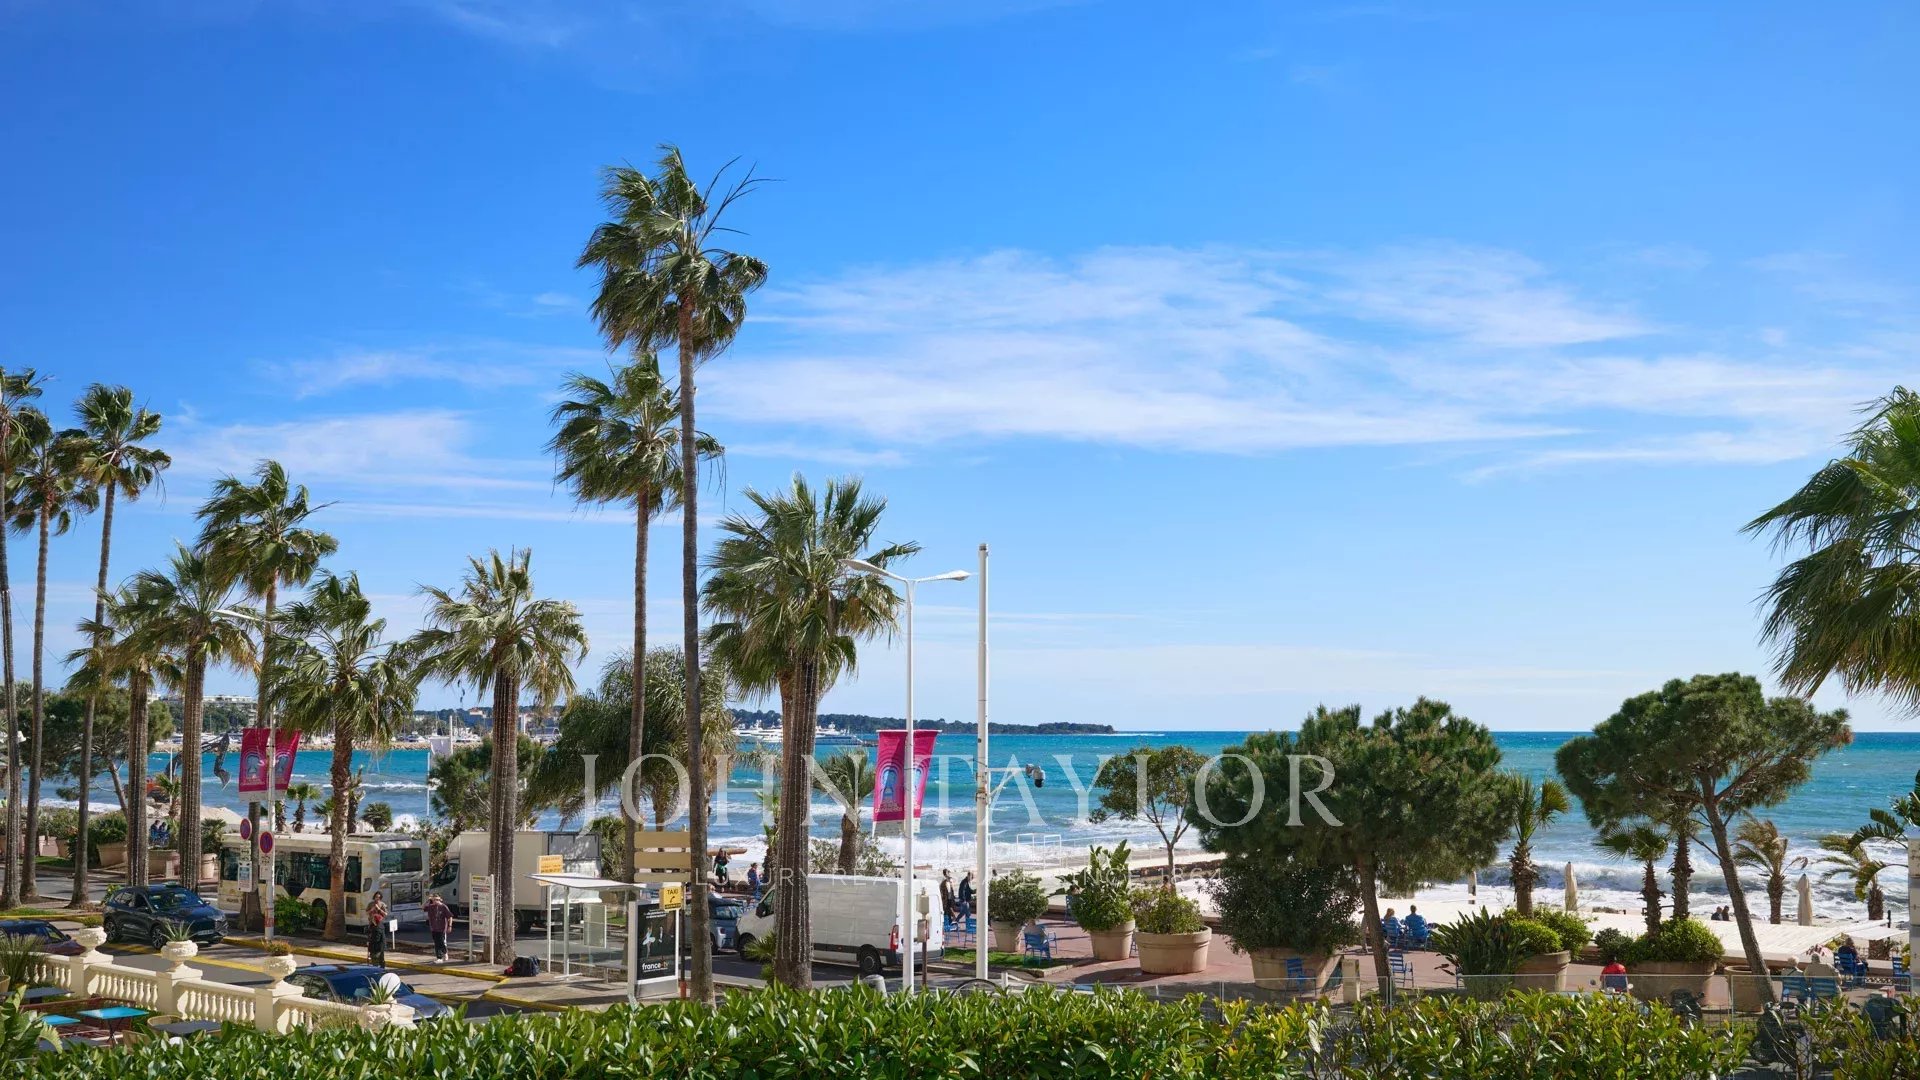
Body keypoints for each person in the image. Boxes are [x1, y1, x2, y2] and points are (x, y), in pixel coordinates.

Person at [423, 892, 453, 963]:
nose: (435, 901)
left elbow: (450, 917)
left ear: (440, 899)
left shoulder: (443, 907)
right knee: (436, 943)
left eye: (437, 899)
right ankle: (439, 958)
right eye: (434, 900)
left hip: (442, 928)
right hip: (433, 927)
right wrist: (427, 900)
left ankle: (445, 953)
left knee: (441, 942)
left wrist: (450, 926)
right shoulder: (430, 906)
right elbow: (423, 907)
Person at [365, 891, 390, 967]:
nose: (377, 898)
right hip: (372, 924)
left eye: (379, 897)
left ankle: (377, 962)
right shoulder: (371, 904)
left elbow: (385, 914)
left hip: (379, 924)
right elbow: (367, 913)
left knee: (377, 942)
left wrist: (379, 909)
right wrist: (372, 909)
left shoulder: (382, 904)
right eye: (376, 897)